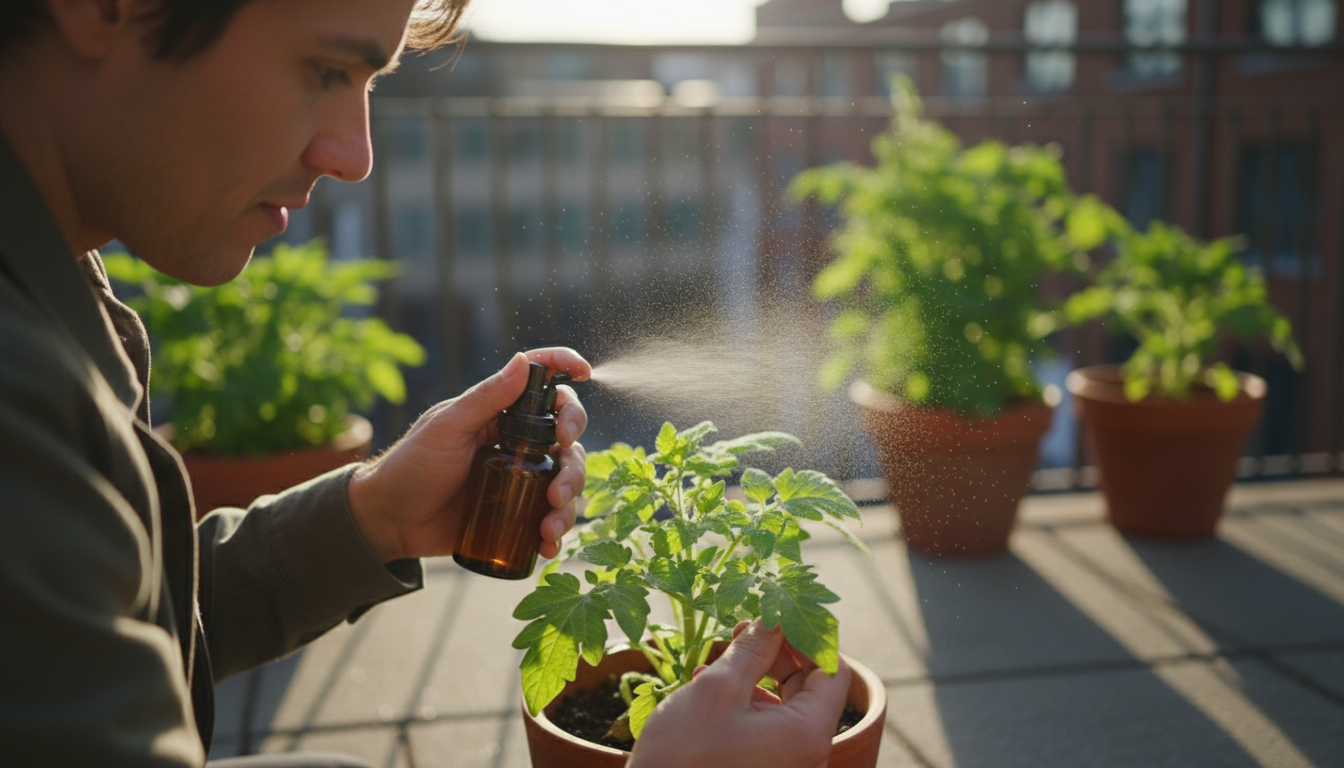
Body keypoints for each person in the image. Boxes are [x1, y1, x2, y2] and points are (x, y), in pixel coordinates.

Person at [0, 1, 850, 766]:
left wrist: (375, 515)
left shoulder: (59, 281)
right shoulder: (21, 393)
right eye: (327, 69)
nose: (354, 155)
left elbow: (106, 627)